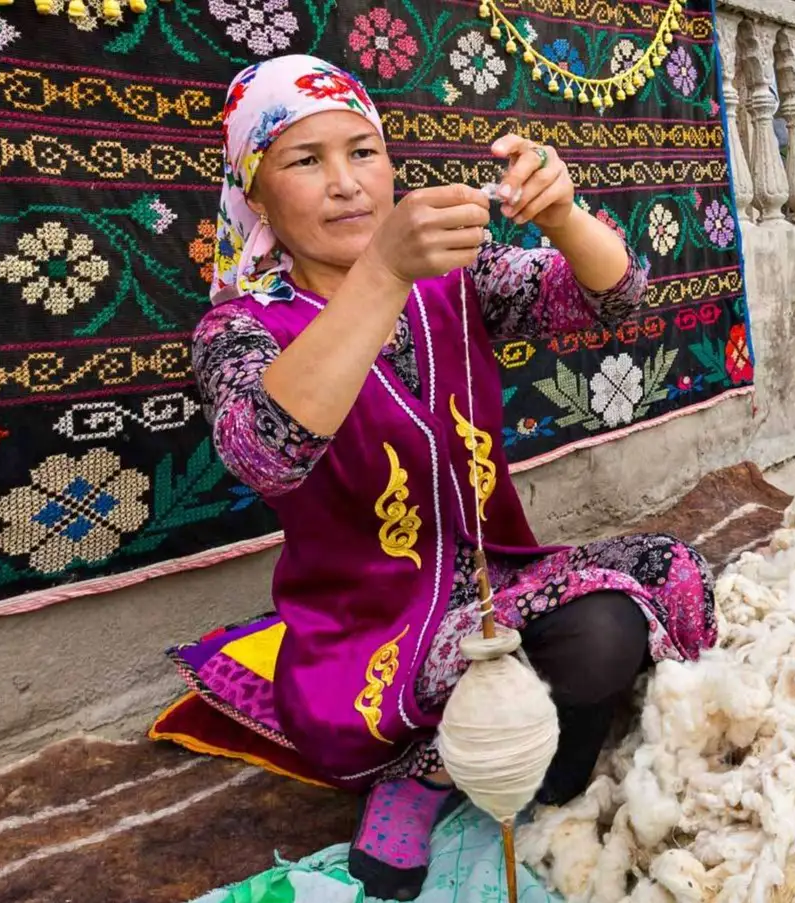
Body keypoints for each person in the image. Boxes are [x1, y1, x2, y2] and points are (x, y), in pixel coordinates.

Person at [172, 54, 716, 900]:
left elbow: (617, 297)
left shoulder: (455, 281)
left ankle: (476, 754)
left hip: (494, 583)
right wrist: (382, 273)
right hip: (366, 627)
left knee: (613, 621)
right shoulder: (240, 328)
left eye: (362, 151)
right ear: (255, 194)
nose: (347, 183)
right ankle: (421, 773)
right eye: (304, 161)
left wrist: (565, 214)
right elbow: (263, 454)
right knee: (492, 716)